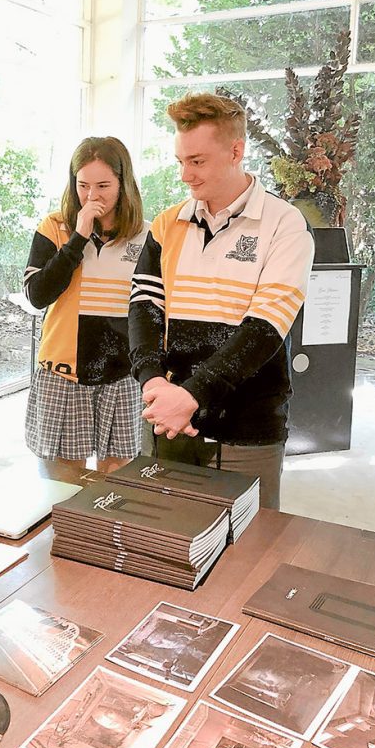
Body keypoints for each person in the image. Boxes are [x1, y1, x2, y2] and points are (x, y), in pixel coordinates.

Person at [129, 93, 314, 509]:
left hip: (247, 432)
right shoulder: (166, 223)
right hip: (170, 423)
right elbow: (144, 307)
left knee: (250, 559)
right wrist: (153, 381)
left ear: (236, 151)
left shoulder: (285, 225)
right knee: (167, 541)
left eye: (197, 161)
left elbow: (265, 329)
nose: (185, 176)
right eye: (180, 161)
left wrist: (192, 395)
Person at [24, 137, 150, 472]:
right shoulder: (54, 227)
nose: (92, 196)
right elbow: (37, 295)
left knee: (116, 489)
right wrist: (76, 239)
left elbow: (152, 310)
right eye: (83, 185)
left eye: (103, 185)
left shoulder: (145, 235)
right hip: (64, 374)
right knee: (63, 489)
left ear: (123, 184)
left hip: (122, 375)